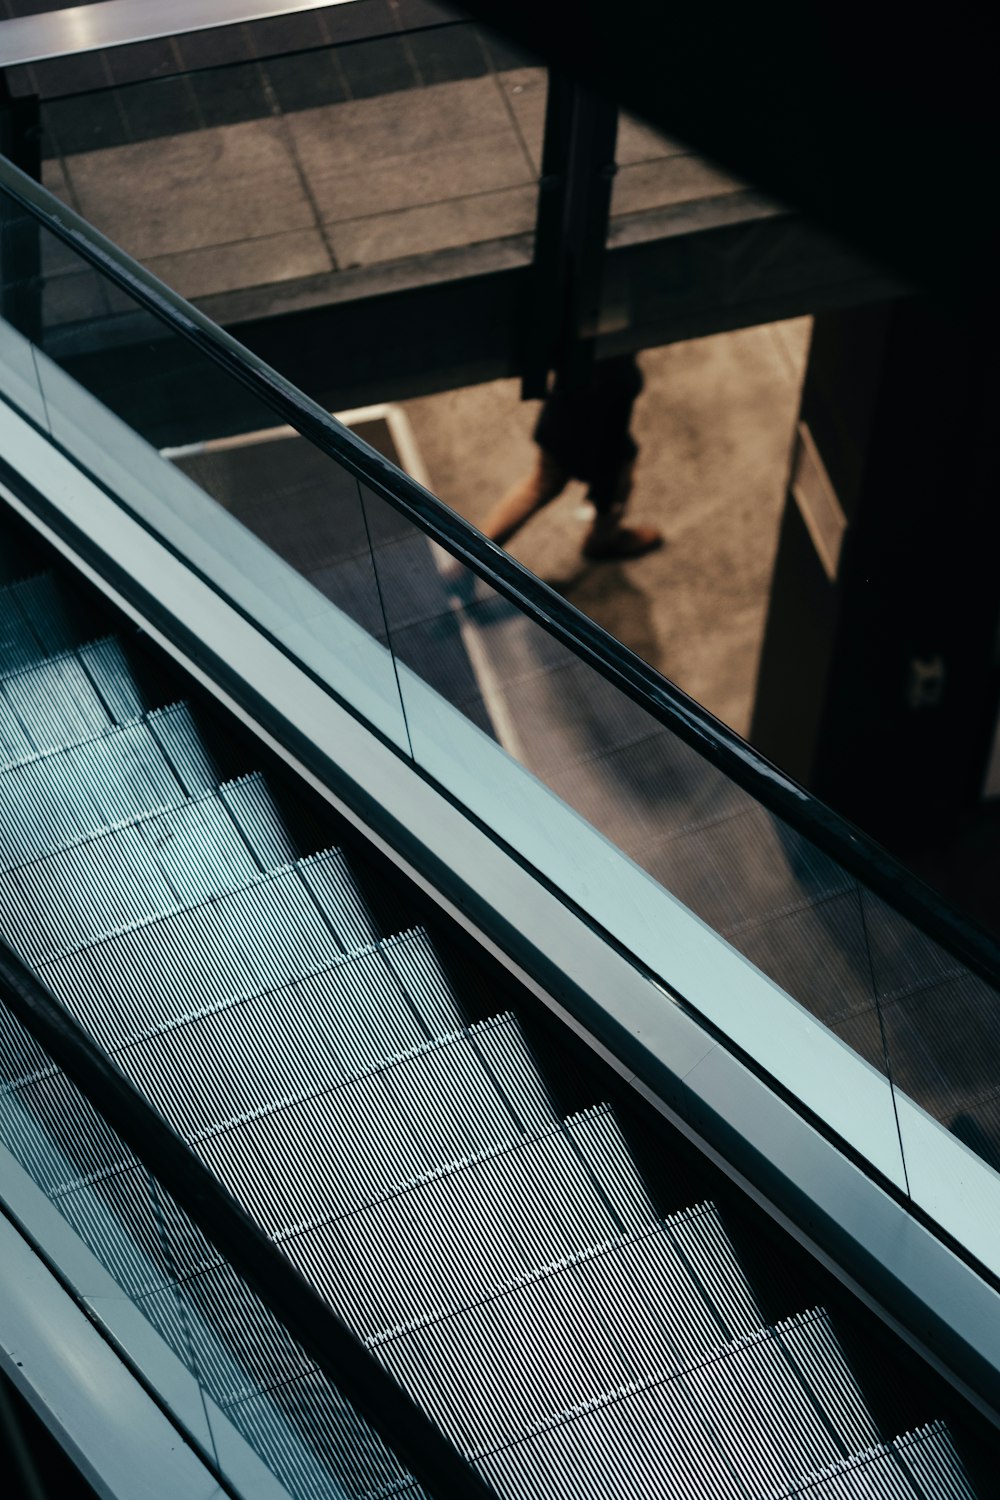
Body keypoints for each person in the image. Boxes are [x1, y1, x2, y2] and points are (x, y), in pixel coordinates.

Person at [480, 354, 663, 560]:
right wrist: (603, 492)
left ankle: (471, 553)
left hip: (561, 415)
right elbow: (609, 442)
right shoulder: (615, 374)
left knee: (541, 483)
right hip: (596, 427)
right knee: (616, 482)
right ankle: (602, 541)